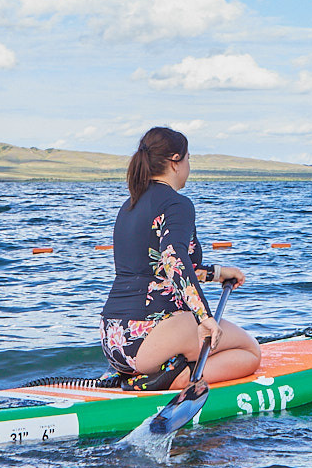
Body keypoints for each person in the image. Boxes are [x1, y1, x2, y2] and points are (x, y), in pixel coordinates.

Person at [100, 125, 261, 391]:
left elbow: (159, 269)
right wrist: (205, 318)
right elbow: (173, 258)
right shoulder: (177, 203)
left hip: (114, 340)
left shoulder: (129, 205)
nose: (189, 165)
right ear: (175, 161)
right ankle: (177, 378)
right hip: (151, 335)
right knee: (250, 351)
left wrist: (218, 273)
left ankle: (158, 371)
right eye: (188, 158)